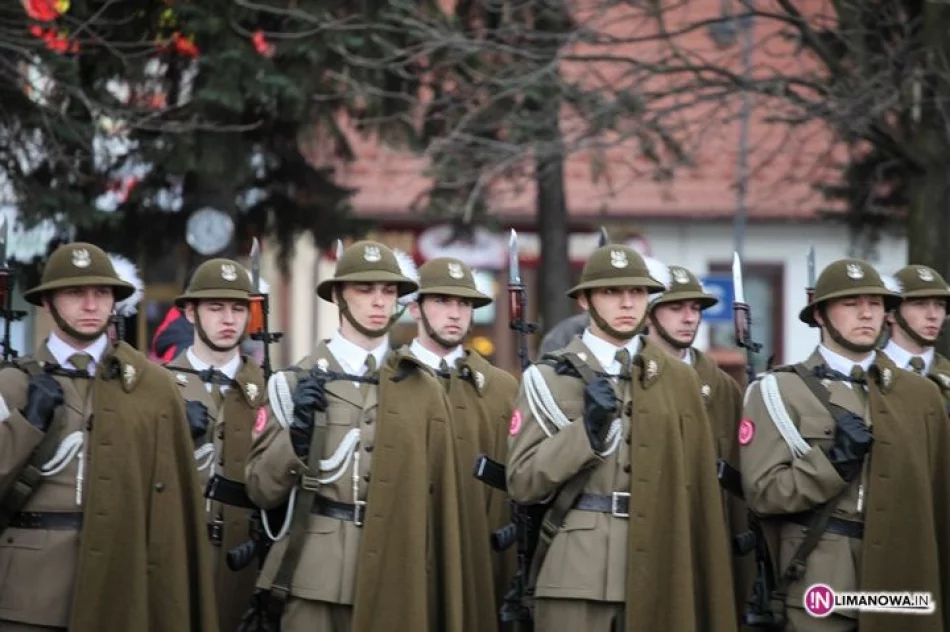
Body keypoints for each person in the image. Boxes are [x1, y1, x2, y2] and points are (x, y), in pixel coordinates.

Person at [506, 244, 736, 632]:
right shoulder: (548, 378)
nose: (627, 303)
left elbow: (698, 490)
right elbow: (522, 482)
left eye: (637, 292)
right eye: (612, 292)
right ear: (584, 300)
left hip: (662, 566)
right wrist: (586, 432)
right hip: (576, 571)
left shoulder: (679, 380)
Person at [245, 240, 464, 632]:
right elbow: (261, 488)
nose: (379, 301)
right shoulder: (293, 383)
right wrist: (296, 440)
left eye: (389, 291)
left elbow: (440, 499)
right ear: (338, 296)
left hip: (397, 573)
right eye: (365, 289)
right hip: (314, 574)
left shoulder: (422, 388)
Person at [0, 242, 216, 632]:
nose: (90, 305)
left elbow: (173, 501)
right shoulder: (12, 384)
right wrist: (27, 424)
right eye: (75, 293)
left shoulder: (153, 386)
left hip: (124, 585)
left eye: (102, 293)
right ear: (47, 302)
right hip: (29, 594)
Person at [740, 258, 950, 632]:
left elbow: (939, 499)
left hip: (903, 577)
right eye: (851, 304)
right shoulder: (779, 391)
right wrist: (832, 464)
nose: (866, 314)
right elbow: (763, 493)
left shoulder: (922, 395)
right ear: (820, 315)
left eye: (875, 303)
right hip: (822, 581)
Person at [404, 256, 518, 632]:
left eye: (465, 303)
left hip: (482, 555)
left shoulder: (502, 388)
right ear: (415, 308)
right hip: (409, 551)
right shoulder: (389, 381)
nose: (455, 313)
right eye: (441, 301)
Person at [643, 259, 751, 621]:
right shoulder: (629, 376)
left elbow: (739, 474)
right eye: (676, 308)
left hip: (709, 532)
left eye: (695, 308)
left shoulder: (723, 387)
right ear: (649, 313)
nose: (690, 318)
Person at [165, 258, 267, 632]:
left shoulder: (271, 389)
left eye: (238, 308)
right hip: (177, 556)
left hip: (246, 563)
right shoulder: (160, 386)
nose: (228, 319)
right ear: (190, 312)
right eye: (215, 307)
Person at [881, 264, 950, 399]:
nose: (933, 315)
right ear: (891, 314)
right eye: (920, 304)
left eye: (940, 305)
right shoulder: (868, 370)